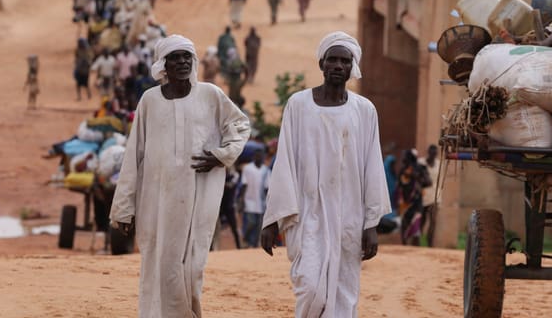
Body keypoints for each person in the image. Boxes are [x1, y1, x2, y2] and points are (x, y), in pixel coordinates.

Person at [109, 35, 250, 318]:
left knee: (192, 267)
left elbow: (240, 124)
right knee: (159, 264)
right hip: (156, 201)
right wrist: (123, 208)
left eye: (187, 56)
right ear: (163, 64)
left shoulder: (210, 94)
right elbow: (134, 156)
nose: (183, 62)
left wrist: (222, 155)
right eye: (175, 57)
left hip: (197, 199)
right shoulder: (149, 100)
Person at [260, 31, 391, 317]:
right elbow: (284, 163)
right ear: (321, 64)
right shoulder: (298, 105)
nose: (337, 66)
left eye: (344, 61)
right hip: (308, 213)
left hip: (349, 216)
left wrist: (371, 224)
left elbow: (372, 167)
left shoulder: (365, 110)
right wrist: (272, 222)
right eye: (332, 59)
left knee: (344, 292)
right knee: (309, 286)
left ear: (352, 67)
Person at [397, 150, 431, 246]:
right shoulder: (403, 170)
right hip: (405, 201)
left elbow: (429, 182)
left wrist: (416, 177)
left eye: (406, 157)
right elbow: (399, 185)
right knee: (405, 222)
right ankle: (405, 244)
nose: (404, 159)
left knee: (416, 222)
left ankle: (415, 246)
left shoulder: (420, 168)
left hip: (416, 200)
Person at [239, 149, 270, 248]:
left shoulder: (266, 170)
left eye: (261, 156)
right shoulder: (247, 168)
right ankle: (246, 237)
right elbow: (244, 184)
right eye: (257, 156)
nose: (259, 158)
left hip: (261, 202)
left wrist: (268, 202)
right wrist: (242, 200)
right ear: (254, 157)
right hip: (249, 200)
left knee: (259, 225)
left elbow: (267, 187)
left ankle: (255, 245)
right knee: (251, 222)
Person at [418, 144, 441, 247]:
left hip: (435, 197)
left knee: (433, 222)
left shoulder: (439, 164)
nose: (433, 155)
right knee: (421, 220)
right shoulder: (421, 163)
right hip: (422, 196)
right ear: (428, 152)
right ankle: (417, 242)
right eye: (431, 152)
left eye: (435, 153)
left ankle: (430, 244)